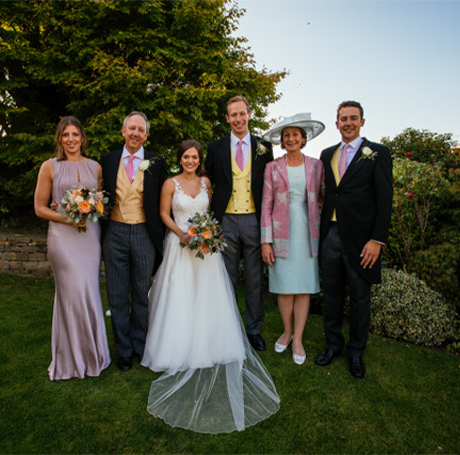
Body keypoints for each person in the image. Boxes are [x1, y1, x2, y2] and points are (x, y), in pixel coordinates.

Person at [141, 140, 280, 434]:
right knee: (179, 296)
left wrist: (206, 235)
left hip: (205, 248)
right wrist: (183, 235)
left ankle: (210, 343)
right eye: (186, 157)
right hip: (180, 246)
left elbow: (212, 212)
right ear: (180, 159)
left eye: (194, 157)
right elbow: (164, 213)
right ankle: (176, 347)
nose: (190, 160)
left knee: (207, 296)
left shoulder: (206, 182)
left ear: (200, 159)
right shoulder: (170, 183)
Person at [315, 101, 393, 379]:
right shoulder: (327, 154)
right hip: (331, 234)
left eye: (353, 118)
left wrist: (377, 240)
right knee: (332, 294)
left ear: (362, 121)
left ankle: (356, 352)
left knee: (360, 297)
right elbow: (327, 191)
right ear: (336, 123)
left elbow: (385, 200)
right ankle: (333, 345)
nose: (347, 122)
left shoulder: (378, 154)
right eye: (343, 118)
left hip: (362, 240)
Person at [34, 116, 111, 381]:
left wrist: (90, 210)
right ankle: (70, 359)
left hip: (89, 238)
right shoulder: (50, 166)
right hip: (62, 239)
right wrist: (67, 216)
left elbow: (98, 204)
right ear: (59, 139)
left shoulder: (96, 168)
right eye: (65, 135)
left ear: (82, 138)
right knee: (72, 293)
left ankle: (93, 355)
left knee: (89, 291)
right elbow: (40, 207)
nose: (71, 139)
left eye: (75, 135)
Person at [205, 96, 274, 351]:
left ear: (249, 114)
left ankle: (254, 329)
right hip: (226, 220)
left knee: (255, 279)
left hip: (254, 219)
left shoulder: (264, 146)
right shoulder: (216, 148)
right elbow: (209, 182)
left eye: (241, 114)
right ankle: (230, 328)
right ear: (227, 118)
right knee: (228, 278)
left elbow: (269, 183)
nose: (238, 119)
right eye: (233, 115)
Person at [100, 111, 168, 372]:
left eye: (141, 130)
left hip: (143, 234)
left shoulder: (156, 163)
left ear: (146, 135)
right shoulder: (108, 160)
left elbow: (167, 199)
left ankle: (140, 346)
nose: (135, 133)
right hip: (114, 232)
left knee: (141, 294)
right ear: (123, 131)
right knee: (117, 296)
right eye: (132, 128)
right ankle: (123, 350)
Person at [260, 113, 325, 365]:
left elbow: (324, 195)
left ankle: (298, 338)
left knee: (304, 287)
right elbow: (266, 205)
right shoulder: (271, 167)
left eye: (295, 135)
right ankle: (286, 332)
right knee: (285, 288)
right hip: (280, 234)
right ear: (282, 140)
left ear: (303, 138)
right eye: (286, 135)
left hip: (308, 234)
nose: (290, 139)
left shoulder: (316, 165)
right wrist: (266, 241)